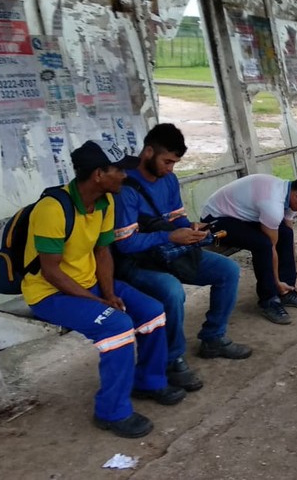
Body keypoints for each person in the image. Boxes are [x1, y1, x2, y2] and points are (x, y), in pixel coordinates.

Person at [23, 140, 184, 438]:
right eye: (119, 171)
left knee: (152, 311)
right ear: (99, 174)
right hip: (50, 294)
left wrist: (107, 293)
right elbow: (51, 271)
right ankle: (111, 411)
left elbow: (102, 253)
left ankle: (148, 381)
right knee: (117, 326)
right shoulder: (52, 209)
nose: (125, 176)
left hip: (90, 284)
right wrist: (96, 301)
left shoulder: (105, 202)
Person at [113, 124, 250, 395]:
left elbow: (177, 218)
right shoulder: (124, 188)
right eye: (167, 161)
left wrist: (191, 230)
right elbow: (125, 243)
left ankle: (213, 338)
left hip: (170, 254)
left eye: (175, 163)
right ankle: (172, 359)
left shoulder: (169, 180)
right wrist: (171, 237)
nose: (170, 169)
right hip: (136, 263)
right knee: (171, 292)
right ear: (148, 152)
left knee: (228, 270)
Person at [200, 174, 297, 325]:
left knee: (285, 233)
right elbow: (271, 247)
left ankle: (286, 291)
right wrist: (276, 281)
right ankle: (269, 299)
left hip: (242, 216)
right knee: (263, 245)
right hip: (216, 219)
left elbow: (288, 234)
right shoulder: (273, 204)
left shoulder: (289, 194)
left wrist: (292, 274)